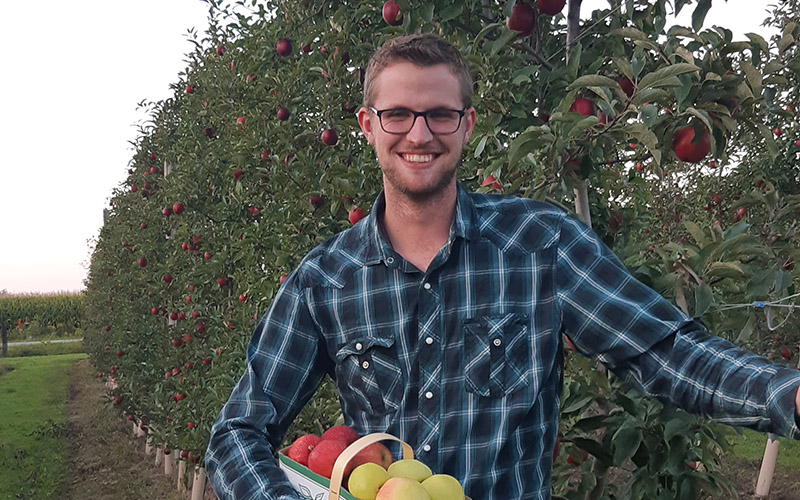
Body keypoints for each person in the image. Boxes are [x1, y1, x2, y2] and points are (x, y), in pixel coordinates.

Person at [206, 33, 800, 500]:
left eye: (440, 114)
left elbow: (664, 352)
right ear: (368, 126)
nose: (420, 133)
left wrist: (787, 395)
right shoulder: (326, 280)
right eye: (397, 115)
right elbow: (239, 431)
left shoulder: (539, 244)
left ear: (466, 124)